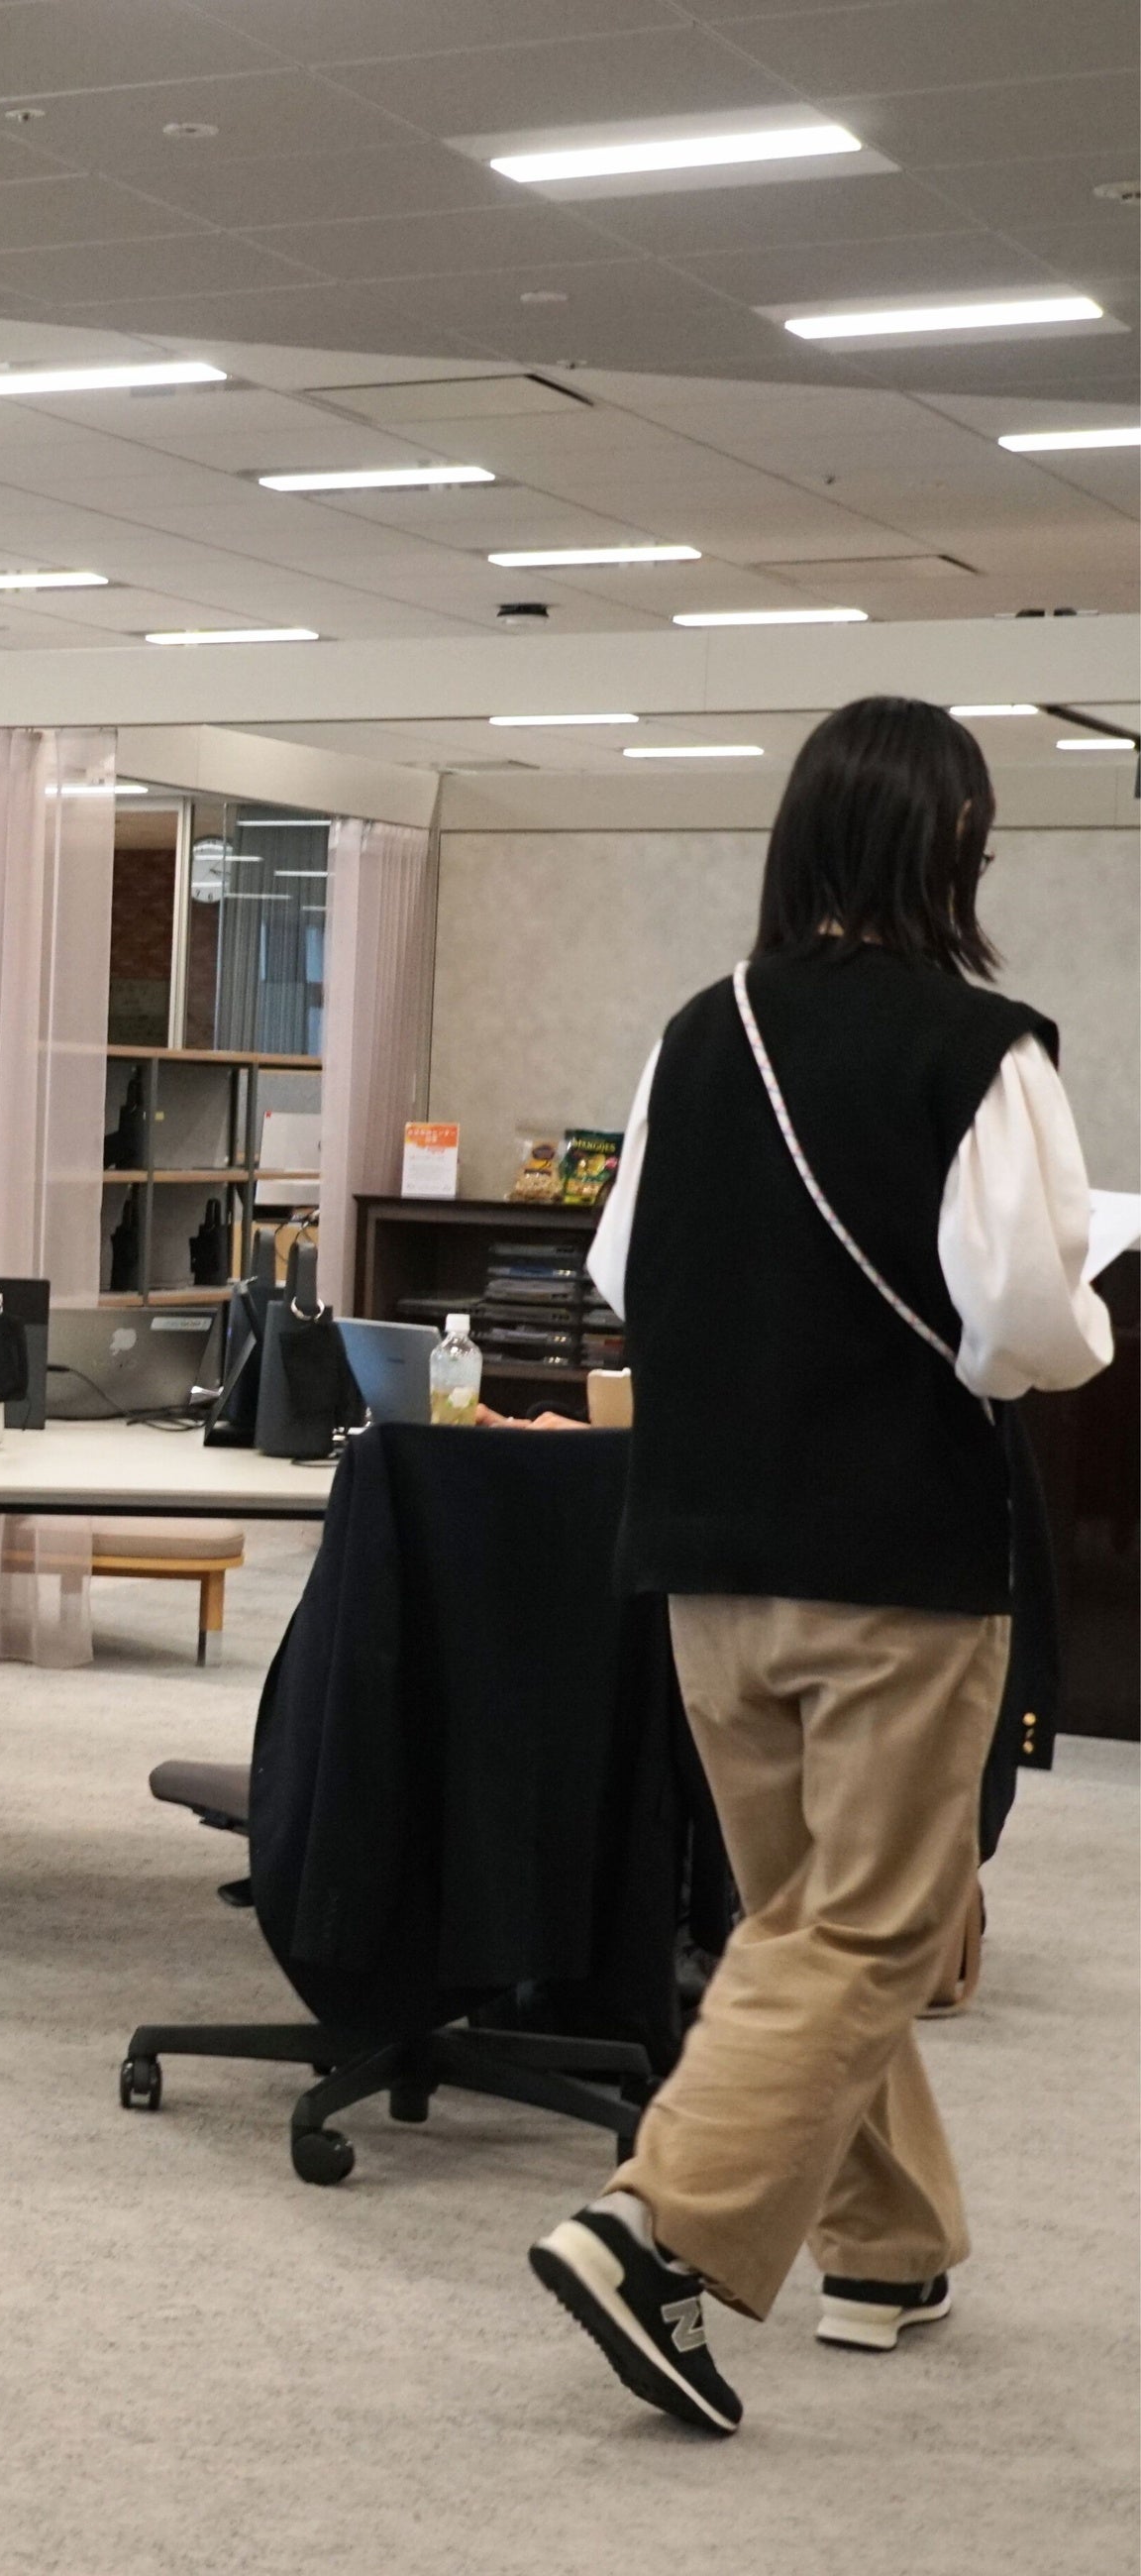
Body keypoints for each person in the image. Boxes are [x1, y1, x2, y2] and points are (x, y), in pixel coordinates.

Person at [527, 698, 1112, 2438]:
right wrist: (1080, 1329)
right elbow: (1024, 1321)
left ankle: (886, 2248)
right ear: (954, 848)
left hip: (706, 1557)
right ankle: (655, 2228)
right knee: (877, 1927)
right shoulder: (984, 1049)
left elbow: (627, 1268)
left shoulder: (697, 1032)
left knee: (802, 1925)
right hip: (897, 1561)